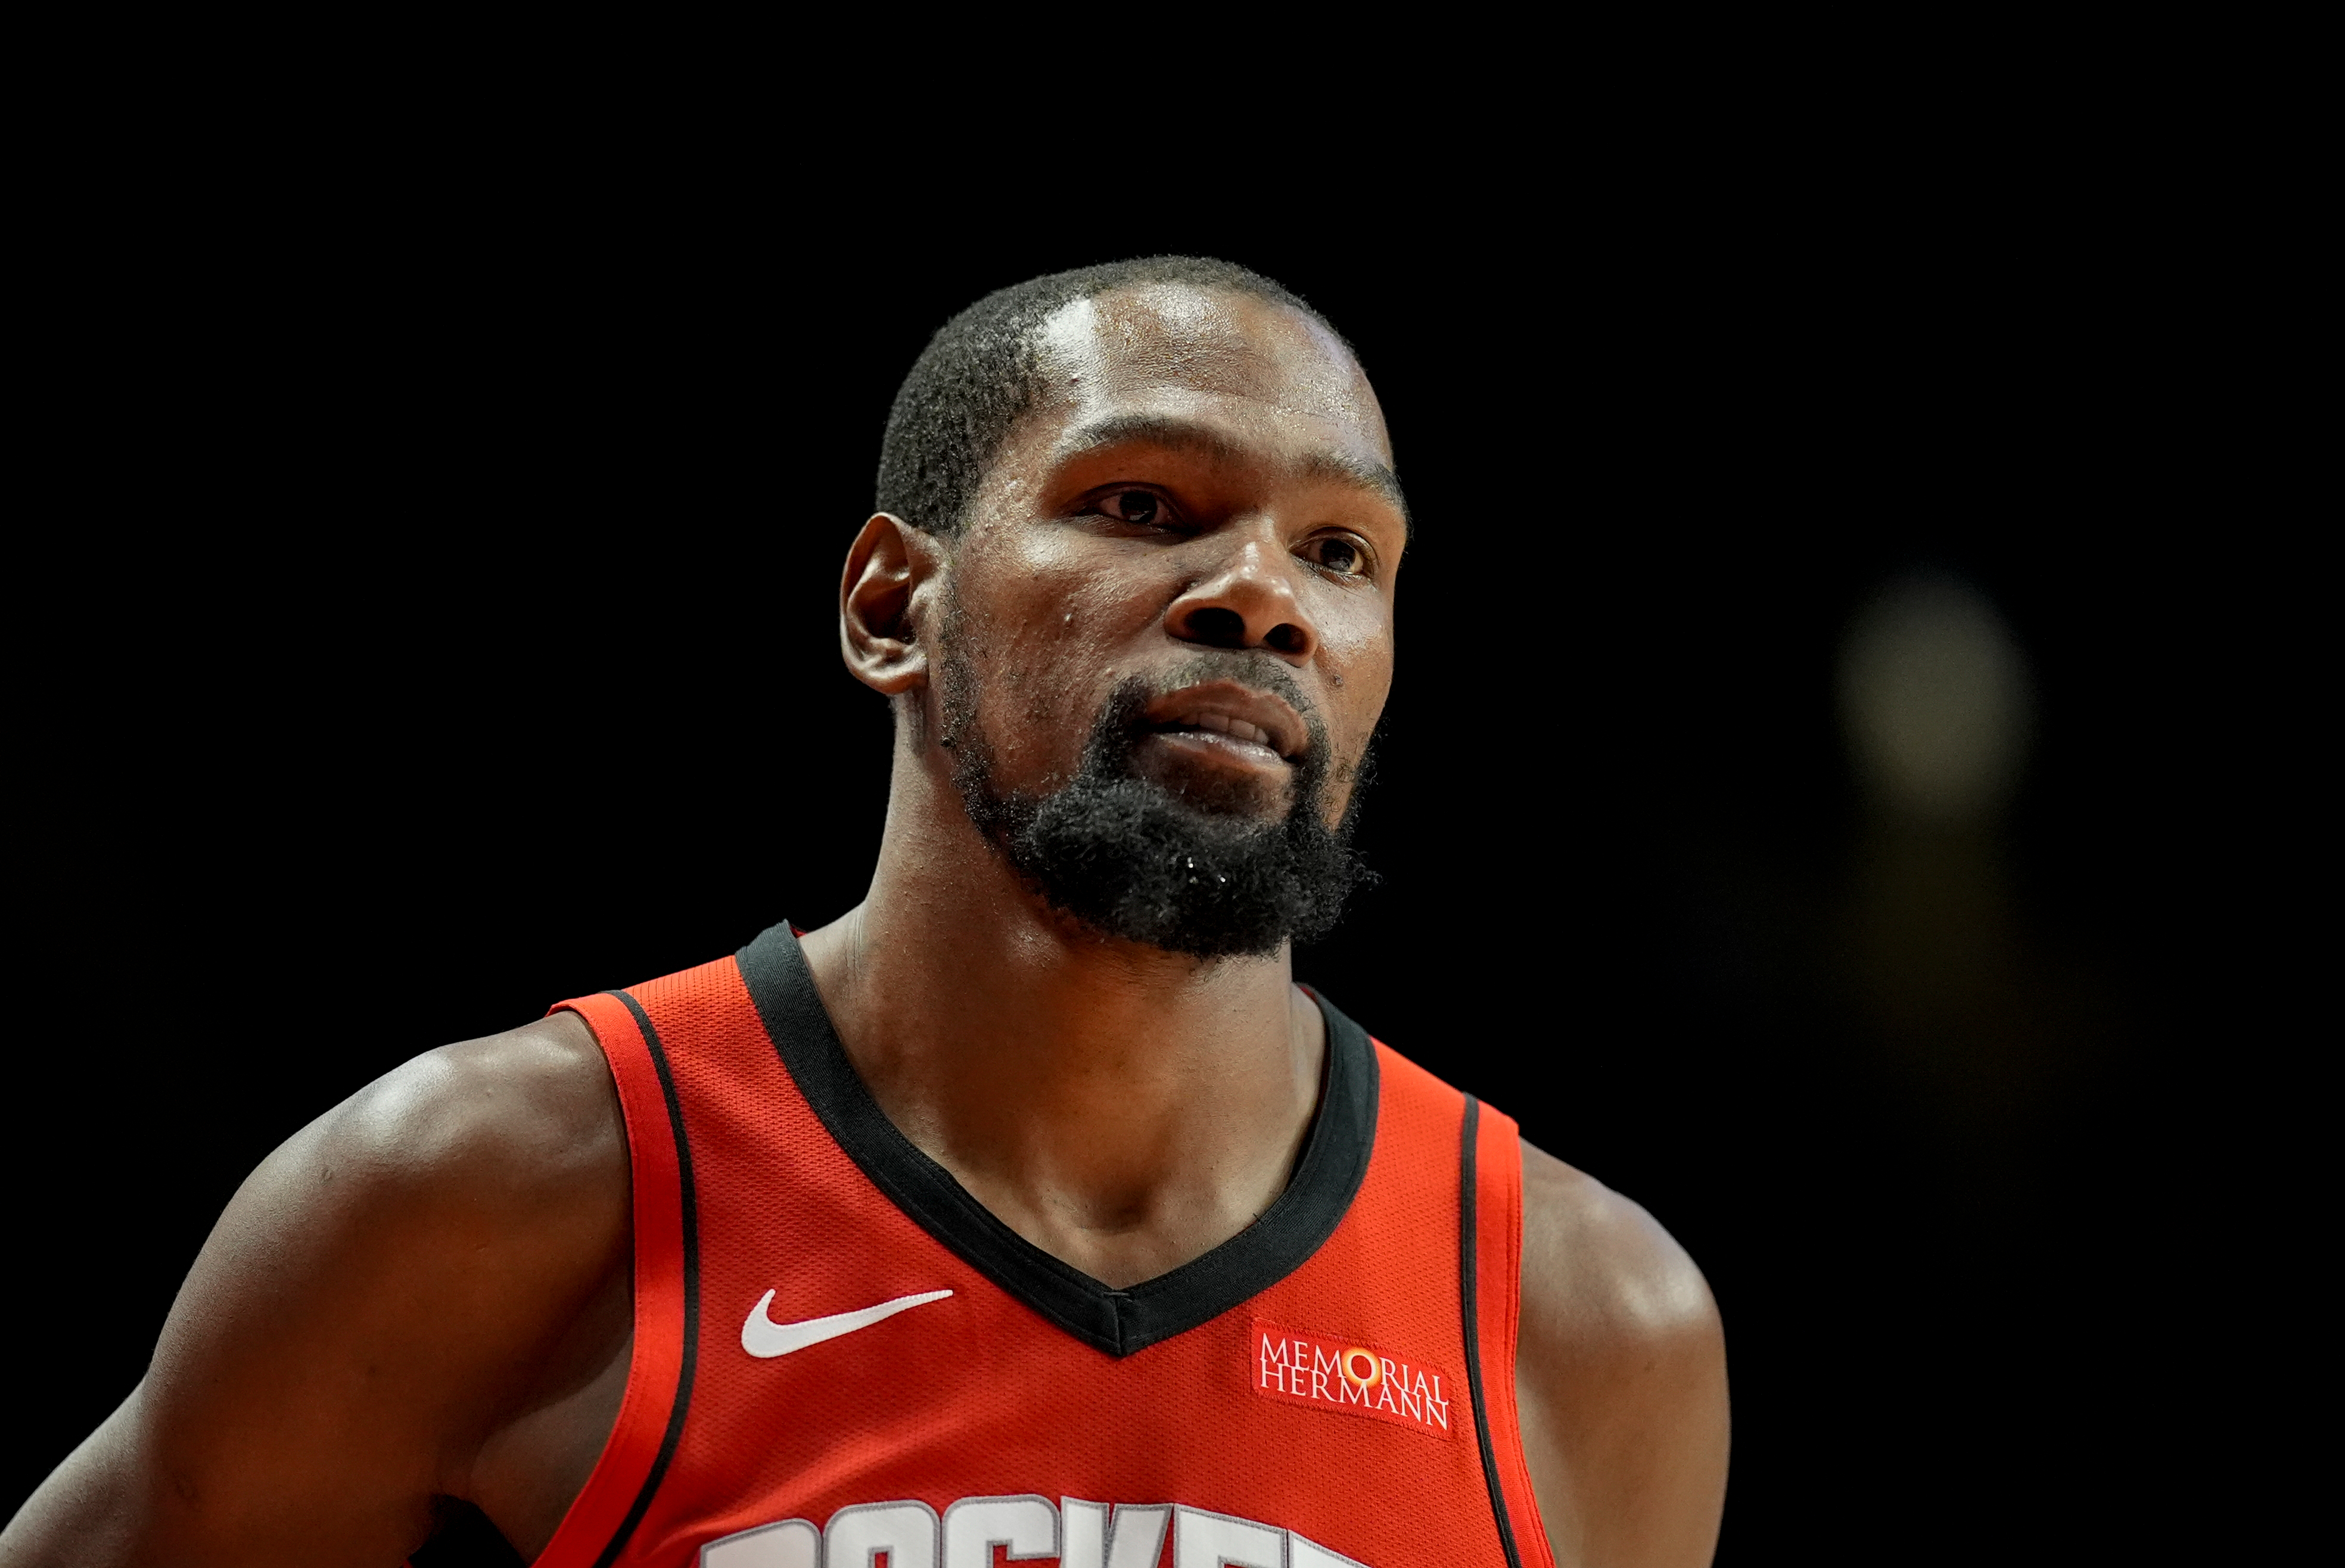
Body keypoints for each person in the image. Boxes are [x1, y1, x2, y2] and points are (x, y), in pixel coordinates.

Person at [1, 257, 1728, 1567]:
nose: (1262, 598)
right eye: (1143, 505)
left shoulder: (1584, 1325)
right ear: (896, 604)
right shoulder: (487, 1195)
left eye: (1342, 553)